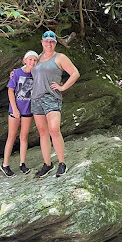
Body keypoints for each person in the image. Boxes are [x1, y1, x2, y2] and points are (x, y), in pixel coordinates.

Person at [31, 30, 80, 178]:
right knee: (42, 132)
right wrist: (14, 73)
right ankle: (47, 164)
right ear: (42, 42)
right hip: (36, 98)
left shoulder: (60, 57)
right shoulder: (37, 58)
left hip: (52, 97)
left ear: (55, 43)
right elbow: (27, 69)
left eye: (51, 41)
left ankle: (62, 163)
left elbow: (75, 73)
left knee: (54, 130)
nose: (49, 43)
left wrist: (63, 87)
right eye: (46, 41)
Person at [1, 50, 39, 177]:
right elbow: (10, 91)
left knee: (24, 136)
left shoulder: (37, 74)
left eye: (35, 60)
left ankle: (22, 163)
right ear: (25, 60)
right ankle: (5, 164)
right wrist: (15, 109)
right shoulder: (17, 73)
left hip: (28, 110)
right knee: (11, 136)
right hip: (15, 110)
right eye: (30, 59)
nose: (32, 62)